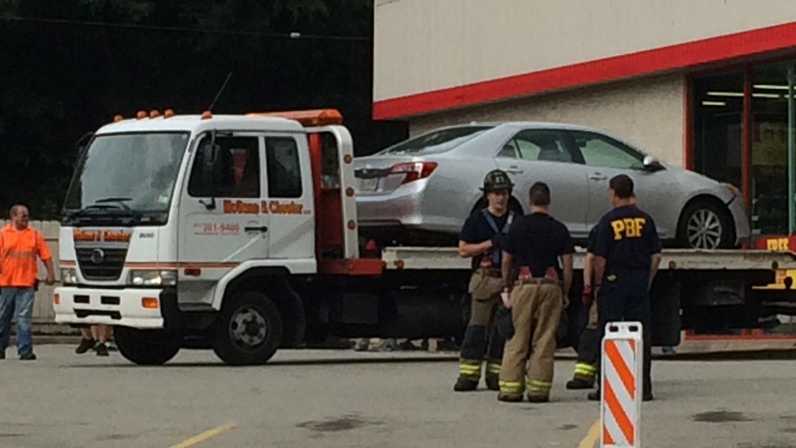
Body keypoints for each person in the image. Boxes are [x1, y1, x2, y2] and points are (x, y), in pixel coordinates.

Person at [498, 182, 573, 403]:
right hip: (551, 286)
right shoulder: (559, 228)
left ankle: (511, 389)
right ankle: (538, 391)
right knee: (544, 339)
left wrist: (506, 286)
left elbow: (506, 260)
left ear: (530, 201)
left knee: (517, 338)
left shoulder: (518, 226)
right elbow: (567, 266)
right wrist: (565, 292)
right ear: (548, 201)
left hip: (524, 284)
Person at [588, 175, 661, 402]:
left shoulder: (607, 221)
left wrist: (598, 284)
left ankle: (606, 387)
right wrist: (646, 280)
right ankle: (644, 388)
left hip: (613, 282)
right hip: (638, 283)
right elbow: (656, 256)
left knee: (607, 333)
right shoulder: (646, 220)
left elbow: (599, 258)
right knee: (641, 335)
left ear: (613, 193)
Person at [453, 170, 517, 392]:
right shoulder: (477, 220)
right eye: (496, 193)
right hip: (485, 279)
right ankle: (468, 376)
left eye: (504, 193)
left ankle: (496, 375)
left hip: (509, 280)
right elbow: (463, 250)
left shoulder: (516, 219)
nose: (501, 197)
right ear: (487, 195)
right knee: (476, 328)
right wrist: (489, 243)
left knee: (503, 330)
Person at [566, 195, 638, 390]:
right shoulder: (642, 223)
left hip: (607, 286)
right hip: (632, 286)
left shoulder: (603, 226)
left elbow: (592, 259)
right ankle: (624, 373)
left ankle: (584, 374)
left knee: (594, 327)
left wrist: (590, 287)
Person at [0, 204, 56, 360]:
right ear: (13, 217)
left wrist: (51, 273)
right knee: (3, 317)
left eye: (27, 215)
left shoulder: (34, 235)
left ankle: (25, 350)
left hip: (27, 283)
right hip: (6, 283)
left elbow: (46, 256)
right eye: (23, 215)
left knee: (23, 318)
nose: (26, 218)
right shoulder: (3, 234)